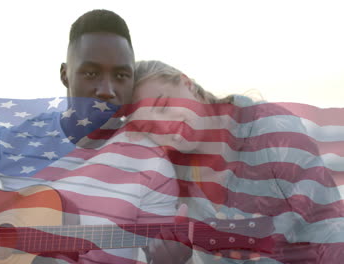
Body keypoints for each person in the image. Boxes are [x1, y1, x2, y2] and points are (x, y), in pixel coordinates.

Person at [0, 10, 191, 264]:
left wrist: (173, 259)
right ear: (65, 75)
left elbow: (162, 248)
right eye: (91, 73)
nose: (106, 89)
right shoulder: (17, 140)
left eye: (121, 76)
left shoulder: (152, 165)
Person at [124, 60, 344, 263]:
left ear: (186, 82)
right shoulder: (171, 183)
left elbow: (327, 225)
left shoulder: (271, 128)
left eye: (163, 105)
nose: (165, 126)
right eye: (150, 128)